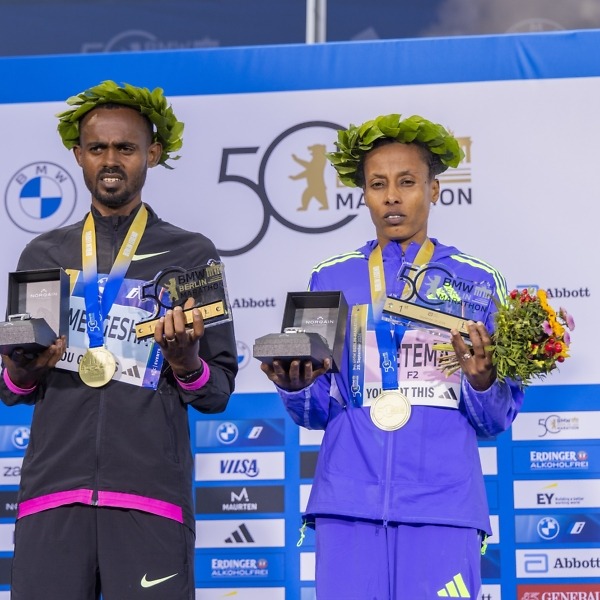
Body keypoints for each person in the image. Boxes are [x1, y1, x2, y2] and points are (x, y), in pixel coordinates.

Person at [261, 113, 524, 599]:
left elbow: (495, 417)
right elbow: (317, 410)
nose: (392, 196)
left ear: (436, 189)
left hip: (444, 504)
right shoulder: (331, 277)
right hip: (348, 502)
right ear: (363, 194)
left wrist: (483, 381)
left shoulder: (479, 282)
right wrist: (295, 386)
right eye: (378, 184)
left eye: (407, 182)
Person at [0, 81, 238, 599]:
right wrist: (23, 370)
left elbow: (217, 389)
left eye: (126, 148)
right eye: (98, 148)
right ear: (78, 155)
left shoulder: (192, 255)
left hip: (150, 498)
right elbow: (12, 387)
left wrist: (185, 362)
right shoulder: (43, 253)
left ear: (151, 154)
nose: (111, 160)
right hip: (52, 497)